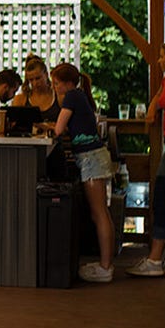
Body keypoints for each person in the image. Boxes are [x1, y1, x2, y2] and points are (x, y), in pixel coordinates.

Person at [50, 62, 115, 283]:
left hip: (91, 159)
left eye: (56, 83)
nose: (55, 87)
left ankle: (105, 267)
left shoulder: (71, 97)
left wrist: (49, 126)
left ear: (68, 83)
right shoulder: (80, 96)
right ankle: (107, 263)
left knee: (99, 214)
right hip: (95, 157)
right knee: (102, 213)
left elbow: (59, 129)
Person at [127, 39, 165, 278]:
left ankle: (159, 256)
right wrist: (152, 109)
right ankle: (155, 259)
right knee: (160, 197)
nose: (159, 60)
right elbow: (158, 100)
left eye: (162, 56)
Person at [12, 55, 61, 123]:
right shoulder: (21, 99)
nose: (35, 83)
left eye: (38, 78)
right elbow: (13, 126)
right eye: (31, 80)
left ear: (46, 75)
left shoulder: (59, 97)